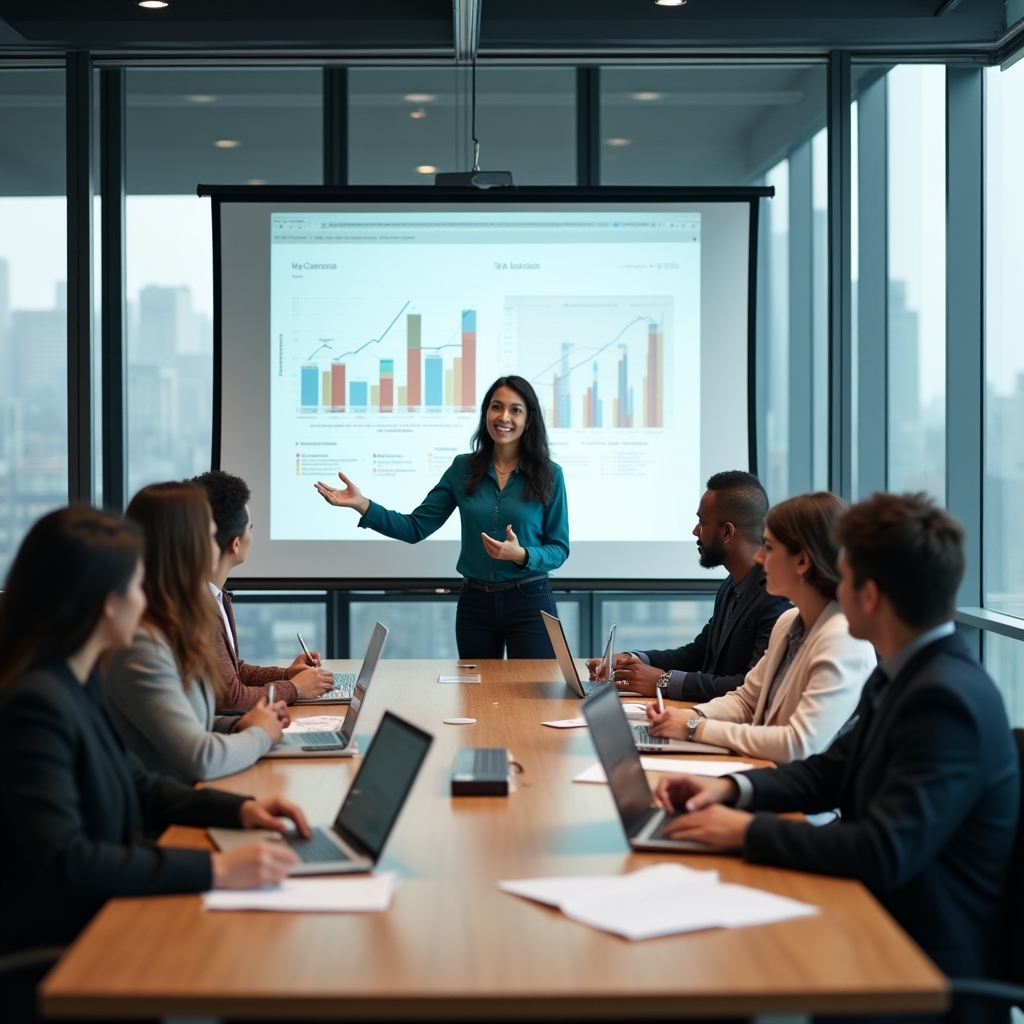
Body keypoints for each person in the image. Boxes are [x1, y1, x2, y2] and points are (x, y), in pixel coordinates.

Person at [653, 492, 1019, 991]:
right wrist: (730, 792)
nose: (834, 589)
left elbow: (882, 850)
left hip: (914, 961)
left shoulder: (944, 700)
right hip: (876, 916)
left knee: (714, 965)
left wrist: (742, 832)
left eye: (843, 577)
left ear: (868, 595)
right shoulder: (907, 674)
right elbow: (829, 771)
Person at [0, 506, 308, 964]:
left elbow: (141, 786)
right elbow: (70, 862)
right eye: (135, 586)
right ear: (107, 602)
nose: (144, 602)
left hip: (109, 910)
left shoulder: (75, 682)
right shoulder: (37, 703)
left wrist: (242, 809)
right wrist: (217, 868)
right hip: (70, 944)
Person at [315, 375, 569, 659]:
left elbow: (559, 549)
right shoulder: (463, 468)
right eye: (496, 407)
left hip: (530, 601)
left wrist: (522, 554)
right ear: (486, 412)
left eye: (515, 410)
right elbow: (415, 527)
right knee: (477, 697)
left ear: (529, 420)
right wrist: (363, 505)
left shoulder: (550, 475)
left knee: (534, 698)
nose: (504, 417)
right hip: (476, 605)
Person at [643, 492, 875, 763]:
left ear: (802, 561)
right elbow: (745, 700)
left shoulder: (843, 641)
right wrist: (692, 716)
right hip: (767, 774)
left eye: (769, 547)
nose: (759, 558)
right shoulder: (788, 623)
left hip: (804, 802)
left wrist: (696, 728)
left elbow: (796, 744)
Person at [105, 483, 289, 782]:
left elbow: (188, 722)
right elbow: (199, 758)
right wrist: (259, 735)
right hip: (161, 817)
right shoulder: (142, 642)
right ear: (184, 546)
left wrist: (237, 727)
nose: (216, 546)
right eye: (207, 535)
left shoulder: (175, 621)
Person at [590, 471, 790, 700]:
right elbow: (698, 654)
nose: (696, 531)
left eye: (702, 522)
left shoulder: (776, 597)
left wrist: (661, 682)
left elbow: (749, 687)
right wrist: (631, 661)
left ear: (727, 532)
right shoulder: (731, 586)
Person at [193, 470, 334, 709]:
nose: (252, 535)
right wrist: (296, 688)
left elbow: (233, 673)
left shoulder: (214, 596)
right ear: (236, 544)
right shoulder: (198, 606)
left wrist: (288, 675)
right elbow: (232, 698)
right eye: (251, 528)